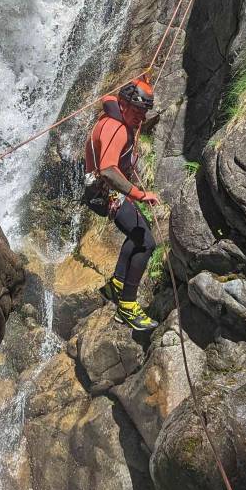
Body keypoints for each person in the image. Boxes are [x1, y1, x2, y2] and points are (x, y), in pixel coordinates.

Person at [83, 78, 161, 331]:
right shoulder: (115, 128)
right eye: (137, 109)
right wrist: (138, 194)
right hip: (105, 191)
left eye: (145, 111)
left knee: (138, 232)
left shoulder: (119, 120)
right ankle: (127, 306)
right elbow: (107, 170)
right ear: (123, 105)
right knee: (147, 242)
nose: (141, 116)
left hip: (106, 191)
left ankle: (116, 284)